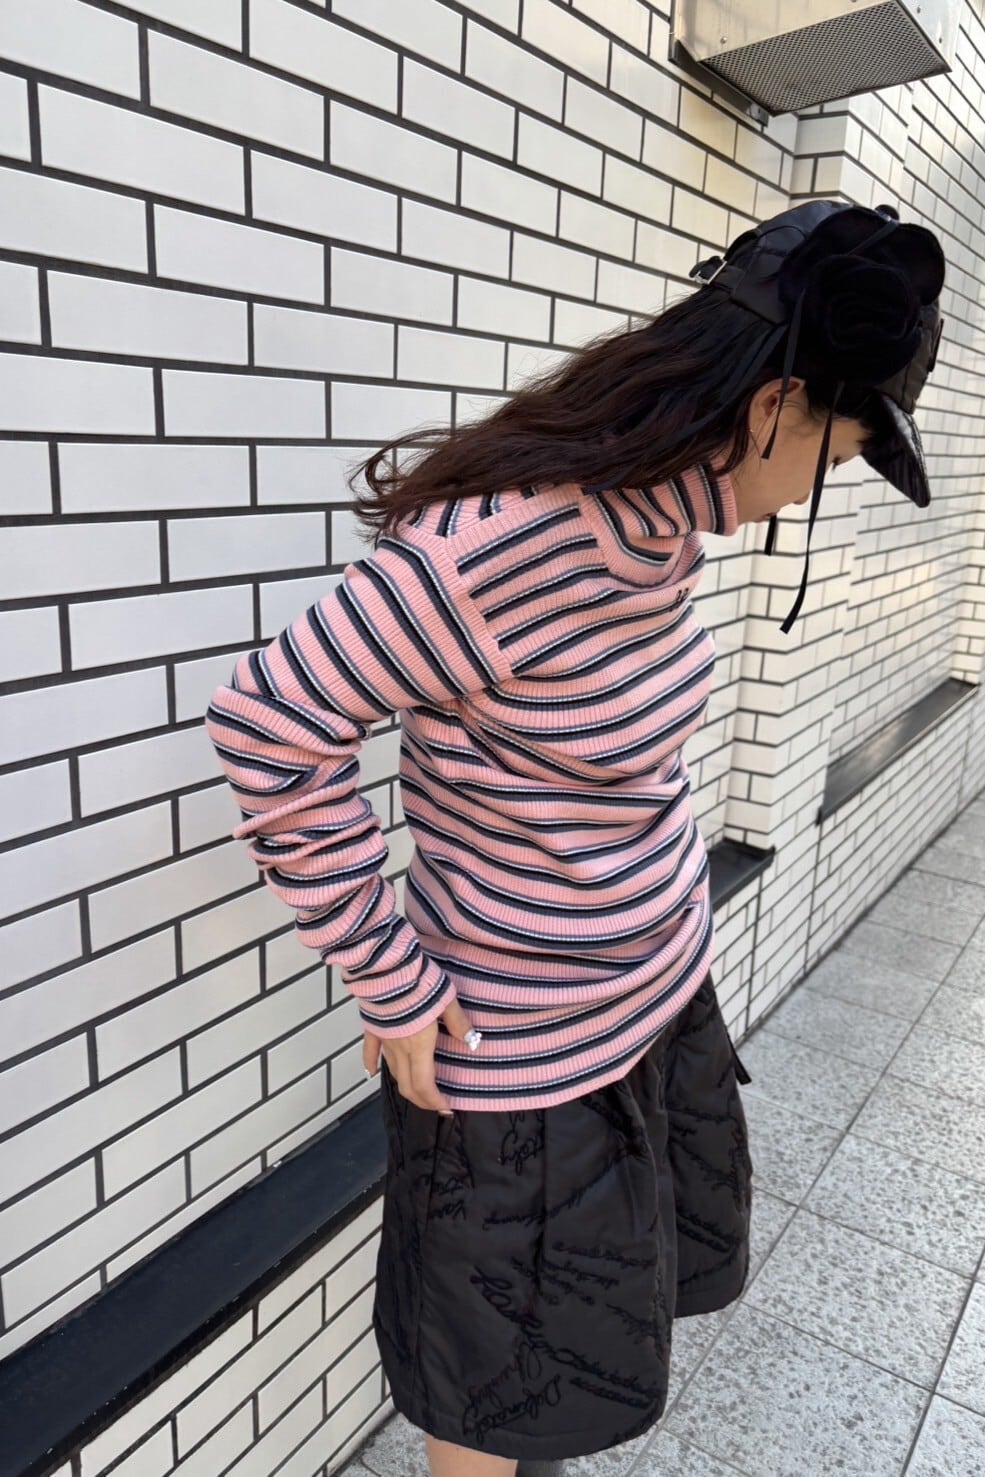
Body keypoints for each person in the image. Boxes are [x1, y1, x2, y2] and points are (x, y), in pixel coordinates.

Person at [204, 199, 946, 1477]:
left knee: (563, 1366)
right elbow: (270, 728)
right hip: (520, 1057)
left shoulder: (656, 521)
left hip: (649, 1006)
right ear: (775, 406)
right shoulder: (501, 546)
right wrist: (391, 978)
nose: (807, 494)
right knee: (490, 1389)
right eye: (830, 459)